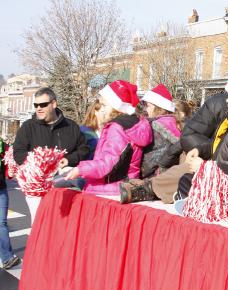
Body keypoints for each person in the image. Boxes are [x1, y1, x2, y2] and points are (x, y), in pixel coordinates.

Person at [121, 68, 228, 204]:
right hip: (215, 176)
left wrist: (204, 168)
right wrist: (201, 150)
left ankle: (155, 192)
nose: (227, 101)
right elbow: (222, 151)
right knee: (183, 169)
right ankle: (146, 189)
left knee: (186, 178)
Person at [13, 87, 89, 222]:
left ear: (54, 104)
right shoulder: (27, 127)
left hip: (64, 184)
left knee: (62, 225)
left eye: (43, 105)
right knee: (39, 225)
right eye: (36, 105)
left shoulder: (71, 127)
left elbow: (83, 150)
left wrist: (68, 159)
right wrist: (38, 166)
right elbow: (18, 153)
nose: (38, 108)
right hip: (38, 187)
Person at [64, 80, 151, 195]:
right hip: (125, 185)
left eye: (105, 105)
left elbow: (109, 163)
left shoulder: (117, 128)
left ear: (116, 107)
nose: (102, 109)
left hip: (109, 188)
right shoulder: (134, 125)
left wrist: (81, 169)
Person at [0, 139, 20, 269]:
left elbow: (8, 168)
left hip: (1, 188)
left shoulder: (3, 146)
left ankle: (7, 258)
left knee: (1, 223)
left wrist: (10, 173)